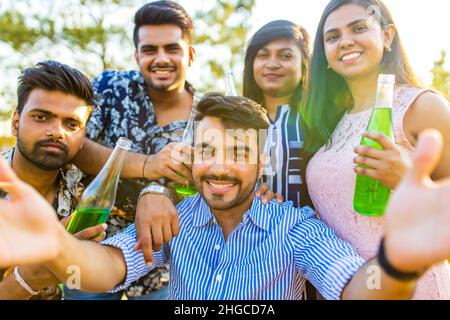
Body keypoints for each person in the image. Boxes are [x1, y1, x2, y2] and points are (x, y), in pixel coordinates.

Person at [2, 93, 450, 300]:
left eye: (238, 152)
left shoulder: (293, 226)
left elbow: (357, 291)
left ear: (262, 164)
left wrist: (398, 262)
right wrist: (59, 248)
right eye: (208, 151)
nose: (219, 167)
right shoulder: (174, 218)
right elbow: (105, 270)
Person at [65, 1, 276, 300]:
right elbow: (75, 145)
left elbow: (208, 182)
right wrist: (148, 165)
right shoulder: (111, 87)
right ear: (137, 55)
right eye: (150, 49)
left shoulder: (208, 114)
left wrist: (159, 192)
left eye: (172, 48)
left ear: (190, 54)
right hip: (93, 243)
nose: (160, 58)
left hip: (166, 259)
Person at [303, 0, 450, 299]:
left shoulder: (422, 107)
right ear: (326, 57)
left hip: (412, 286)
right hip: (343, 289)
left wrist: (407, 178)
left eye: (358, 28)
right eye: (332, 37)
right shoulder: (328, 123)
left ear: (387, 36)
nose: (345, 41)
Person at [0, 61, 107, 300]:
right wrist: (32, 274)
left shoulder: (89, 191)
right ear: (16, 123)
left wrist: (153, 192)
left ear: (82, 138)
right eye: (41, 117)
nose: (57, 132)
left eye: (72, 124)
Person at [243, 20, 313, 208]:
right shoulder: (234, 122)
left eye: (285, 56)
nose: (272, 64)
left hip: (309, 232)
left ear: (304, 64)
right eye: (263, 55)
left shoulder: (320, 120)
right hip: (248, 231)